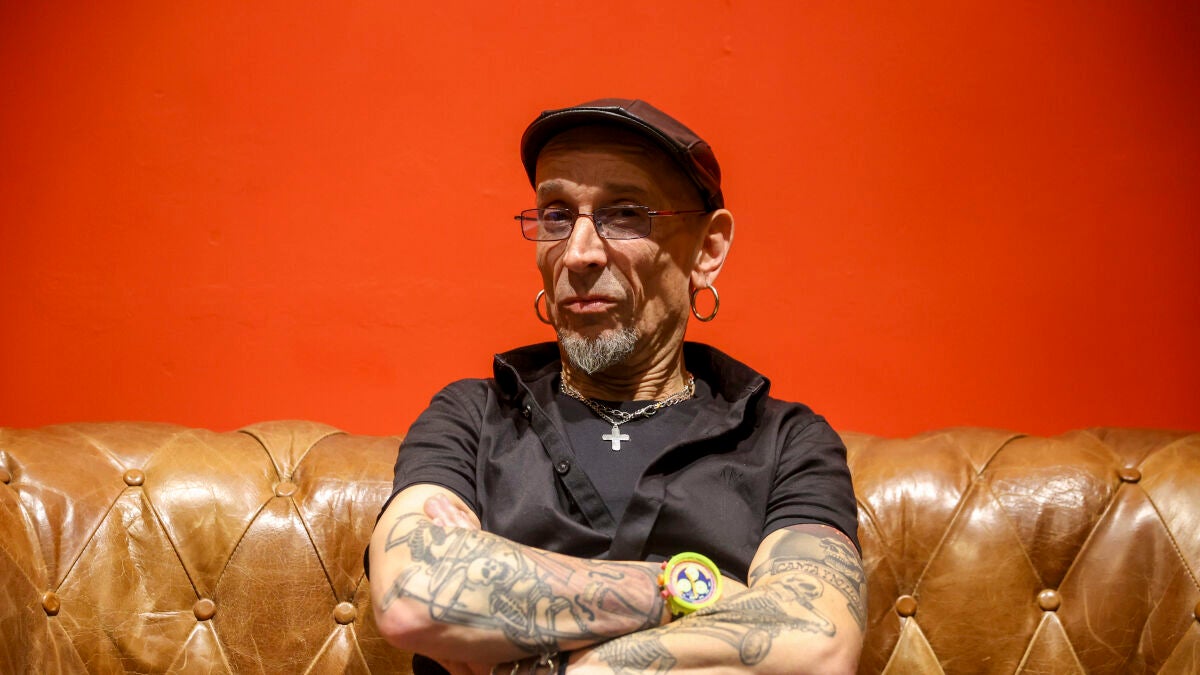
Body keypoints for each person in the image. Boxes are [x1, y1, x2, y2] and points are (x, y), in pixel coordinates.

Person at [368, 99, 864, 674]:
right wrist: (692, 590)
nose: (578, 253)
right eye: (557, 215)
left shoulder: (785, 442)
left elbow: (818, 645)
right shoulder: (473, 416)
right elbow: (413, 593)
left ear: (708, 249)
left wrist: (546, 653)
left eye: (626, 214)